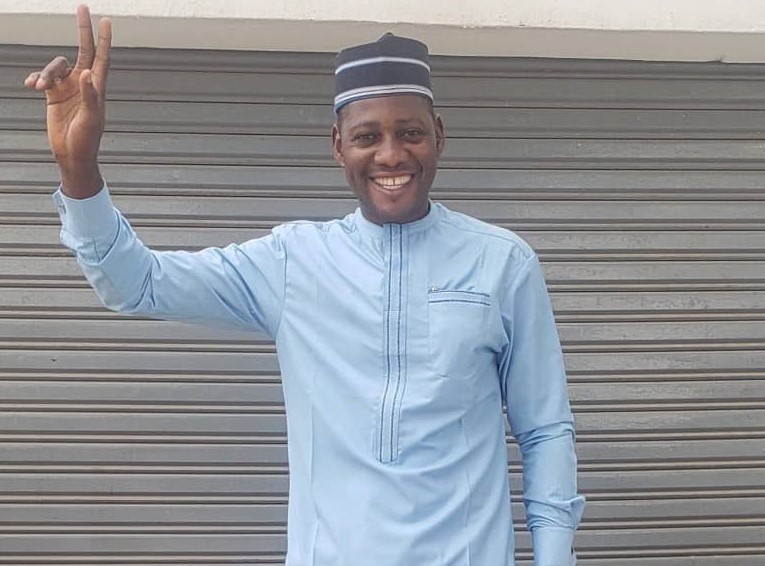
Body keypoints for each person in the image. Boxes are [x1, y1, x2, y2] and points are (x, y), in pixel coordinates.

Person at [25, 5, 585, 565]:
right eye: (368, 136)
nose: (391, 154)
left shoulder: (501, 263)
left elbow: (545, 431)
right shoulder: (294, 261)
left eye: (410, 132)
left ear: (438, 136)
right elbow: (137, 284)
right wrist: (80, 170)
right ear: (338, 146)